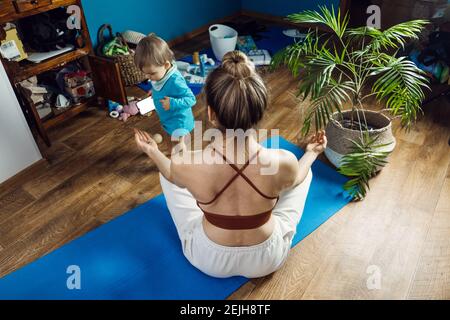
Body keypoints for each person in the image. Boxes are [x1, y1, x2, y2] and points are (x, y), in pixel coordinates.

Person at [134, 51, 327, 278]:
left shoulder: (189, 163)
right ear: (260, 111)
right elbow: (297, 177)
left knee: (170, 173)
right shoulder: (284, 160)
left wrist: (153, 152)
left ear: (211, 114)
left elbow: (171, 174)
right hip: (266, 259)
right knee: (300, 175)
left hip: (210, 260)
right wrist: (311, 154)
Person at [134, 33, 196, 139]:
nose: (148, 77)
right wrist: (154, 91)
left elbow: (191, 99)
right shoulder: (160, 74)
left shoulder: (176, 81)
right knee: (169, 140)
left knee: (179, 148)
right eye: (145, 73)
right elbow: (161, 85)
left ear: (166, 65)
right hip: (168, 119)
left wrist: (172, 103)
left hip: (180, 123)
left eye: (151, 73)